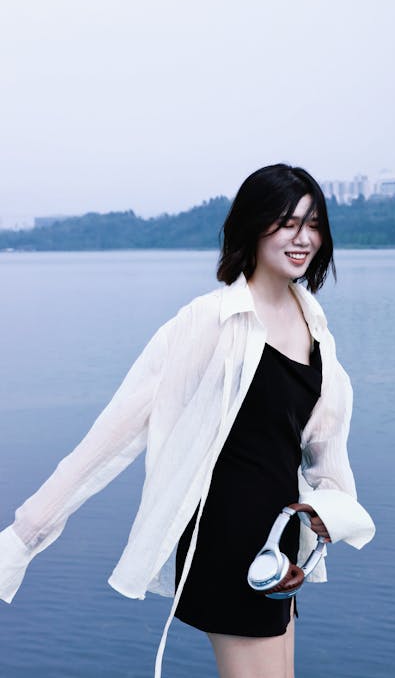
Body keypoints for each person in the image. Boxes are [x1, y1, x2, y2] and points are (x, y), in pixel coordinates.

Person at [0, 164, 374, 678]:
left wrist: (323, 519)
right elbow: (113, 435)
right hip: (224, 537)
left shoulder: (317, 334)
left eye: (312, 224)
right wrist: (24, 535)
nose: (302, 237)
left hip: (277, 544)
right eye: (287, 222)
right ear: (253, 226)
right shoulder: (209, 321)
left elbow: (325, 454)